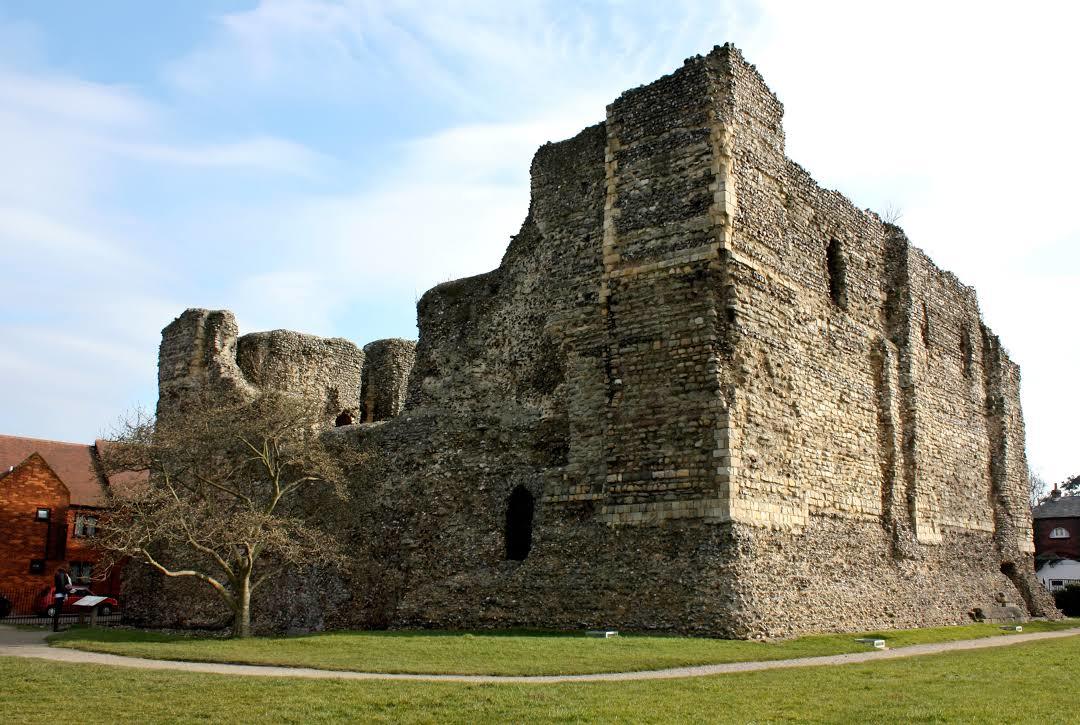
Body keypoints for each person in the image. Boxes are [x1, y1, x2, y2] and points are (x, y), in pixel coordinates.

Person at [52, 567, 71, 632]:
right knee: (58, 612)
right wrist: (65, 594)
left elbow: (60, 585)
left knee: (57, 612)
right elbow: (63, 585)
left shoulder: (57, 575)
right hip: (61, 595)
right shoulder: (63, 575)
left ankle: (55, 627)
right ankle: (56, 628)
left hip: (57, 595)